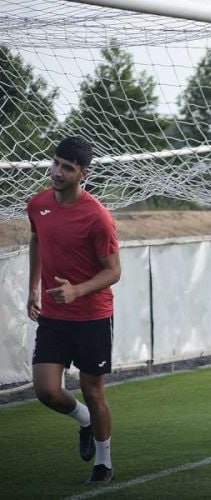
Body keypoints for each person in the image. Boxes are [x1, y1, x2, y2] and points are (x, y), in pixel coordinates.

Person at [27, 136, 121, 484]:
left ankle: (104, 462)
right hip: (54, 315)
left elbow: (114, 271)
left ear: (83, 174)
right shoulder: (37, 204)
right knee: (46, 390)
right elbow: (37, 239)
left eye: (67, 167)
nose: (58, 172)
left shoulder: (98, 218)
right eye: (55, 163)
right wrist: (33, 288)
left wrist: (77, 290)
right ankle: (84, 421)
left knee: (93, 390)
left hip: (92, 316)